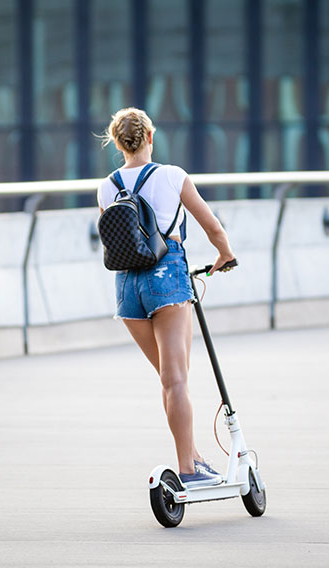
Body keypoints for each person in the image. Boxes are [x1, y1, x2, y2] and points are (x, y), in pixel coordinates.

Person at [96, 108, 237, 487]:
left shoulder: (106, 186)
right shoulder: (172, 176)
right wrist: (225, 255)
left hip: (127, 289)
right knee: (177, 381)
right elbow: (212, 226)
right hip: (166, 278)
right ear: (150, 138)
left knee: (168, 379)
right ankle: (188, 470)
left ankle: (193, 456)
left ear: (117, 142)